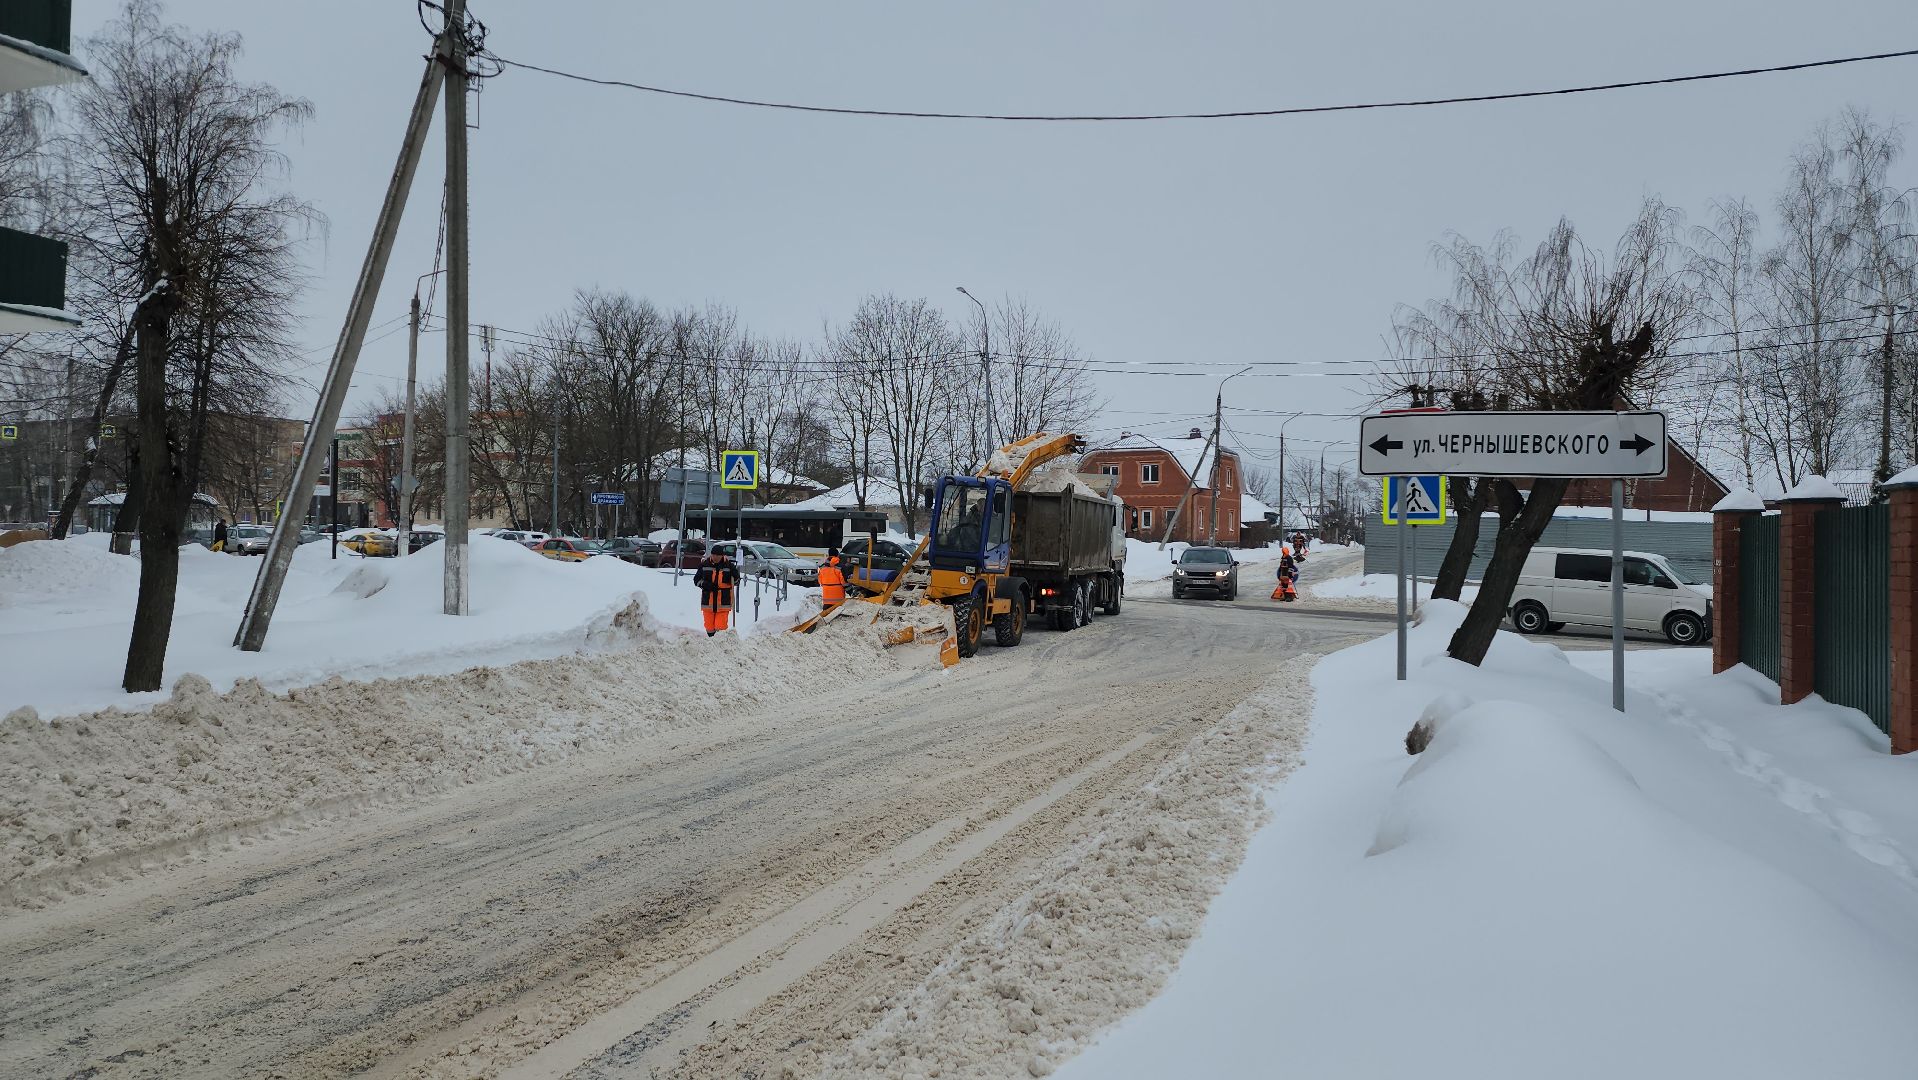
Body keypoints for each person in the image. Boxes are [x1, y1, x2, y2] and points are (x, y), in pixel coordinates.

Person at [694, 549, 738, 636]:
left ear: (722, 555)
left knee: (720, 628)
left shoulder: (729, 566)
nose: (715, 557)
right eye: (713, 555)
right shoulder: (704, 565)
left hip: (723, 602)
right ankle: (711, 643)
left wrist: (735, 575)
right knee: (709, 627)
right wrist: (706, 585)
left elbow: (735, 582)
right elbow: (696, 580)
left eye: (717, 555)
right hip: (708, 602)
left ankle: (720, 645)